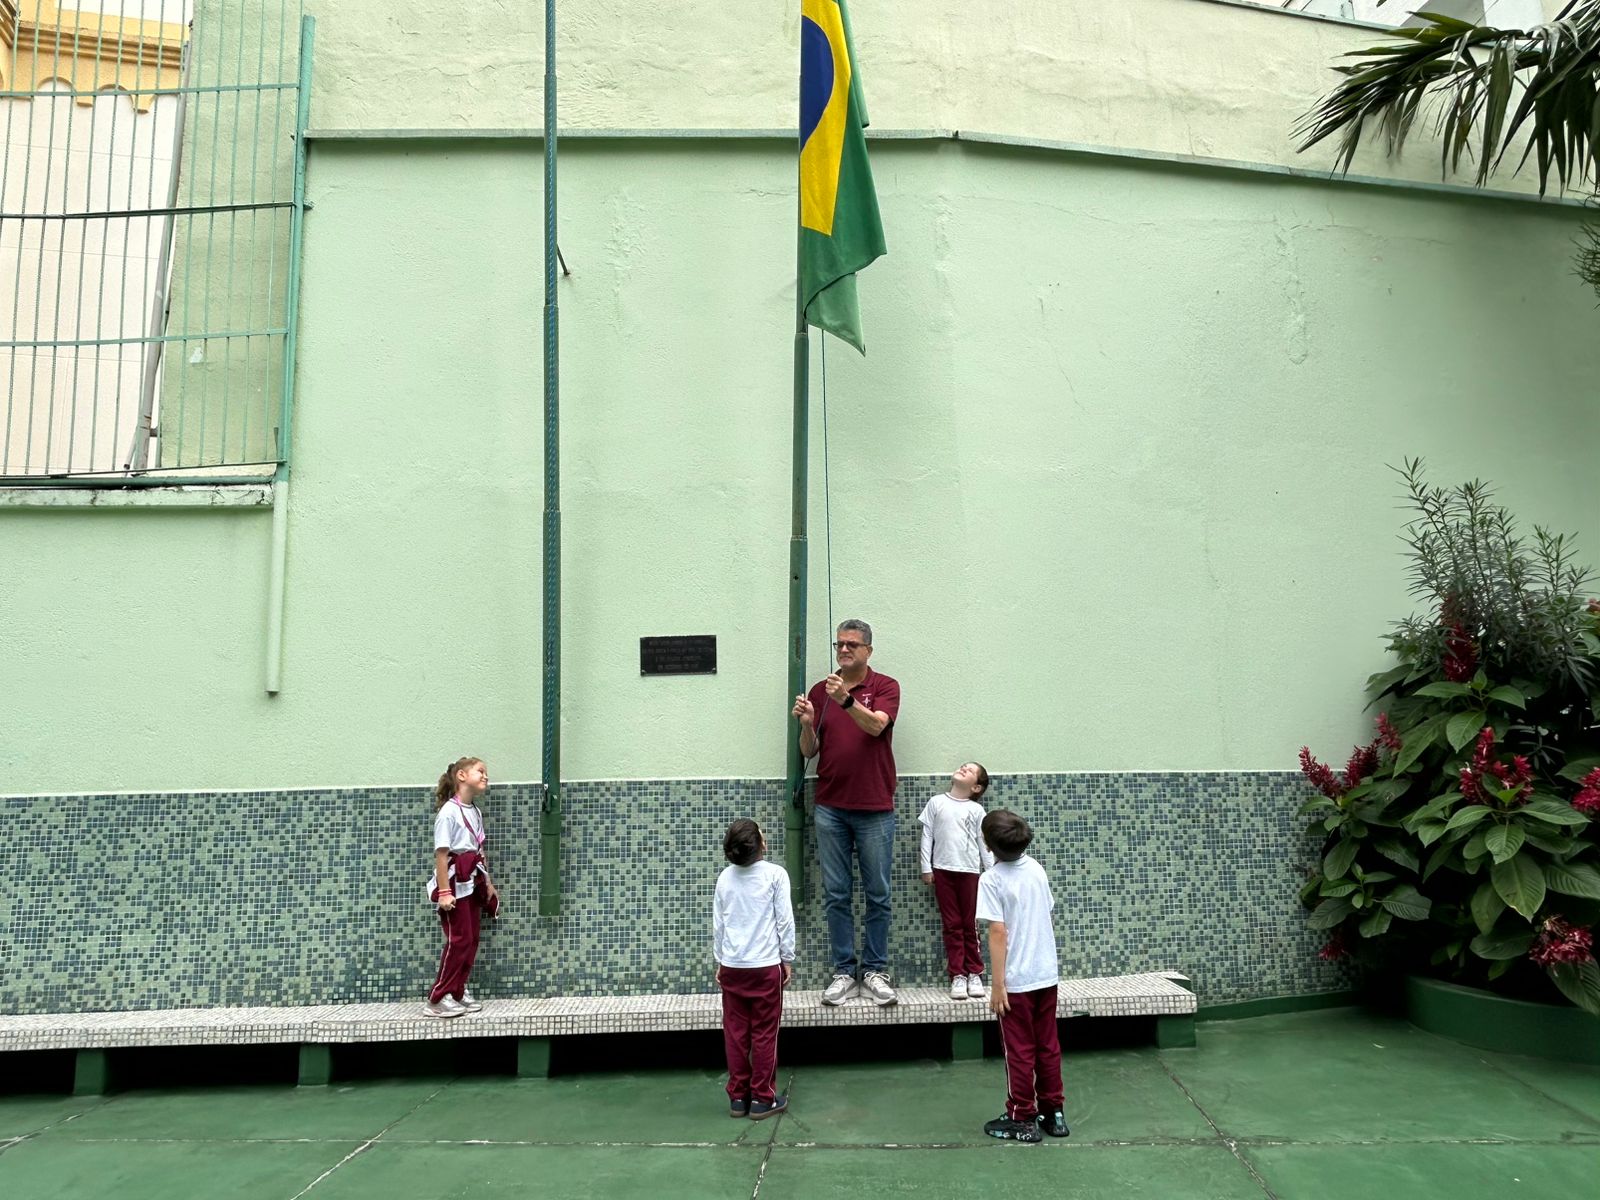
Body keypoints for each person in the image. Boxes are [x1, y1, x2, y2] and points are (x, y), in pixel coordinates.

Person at [792, 619, 902, 1006]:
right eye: (839, 644)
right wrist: (807, 725)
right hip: (830, 807)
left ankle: (874, 971)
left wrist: (846, 701)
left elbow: (876, 727)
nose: (843, 650)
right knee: (836, 894)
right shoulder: (821, 690)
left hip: (875, 806)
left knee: (878, 894)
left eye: (852, 645)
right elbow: (810, 750)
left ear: (868, 650)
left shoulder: (885, 686)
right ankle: (843, 972)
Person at [976, 809, 1069, 1142]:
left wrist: (998, 985)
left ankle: (1022, 1116)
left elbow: (998, 932)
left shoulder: (991, 880)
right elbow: (1046, 911)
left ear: (988, 845)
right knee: (1047, 1045)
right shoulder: (1037, 870)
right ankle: (1054, 1113)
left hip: (1016, 982)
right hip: (1046, 975)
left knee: (1018, 1050)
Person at [714, 818, 795, 1119]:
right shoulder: (776, 875)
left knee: (735, 1034)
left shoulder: (725, 878)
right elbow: (784, 921)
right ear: (760, 844)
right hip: (765, 967)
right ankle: (763, 1098)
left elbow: (719, 924)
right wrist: (787, 958)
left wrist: (720, 959)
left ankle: (738, 1097)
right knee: (764, 1033)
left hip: (732, 966)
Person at [423, 756, 500, 1018]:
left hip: (472, 882)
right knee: (459, 940)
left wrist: (487, 883)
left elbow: (479, 849)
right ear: (462, 776)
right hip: (454, 884)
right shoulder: (448, 813)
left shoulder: (474, 811)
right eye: (480, 771)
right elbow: (442, 855)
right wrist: (445, 892)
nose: (485, 776)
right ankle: (438, 997)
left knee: (472, 938)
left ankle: (457, 990)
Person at [918, 762, 994, 999]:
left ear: (976, 787)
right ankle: (958, 975)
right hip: (943, 871)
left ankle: (975, 973)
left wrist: (991, 873)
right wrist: (926, 867)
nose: (963, 768)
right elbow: (927, 836)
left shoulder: (976, 810)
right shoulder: (936, 802)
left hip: (970, 872)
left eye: (970, 770)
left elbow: (983, 843)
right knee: (952, 925)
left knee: (970, 924)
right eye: (963, 766)